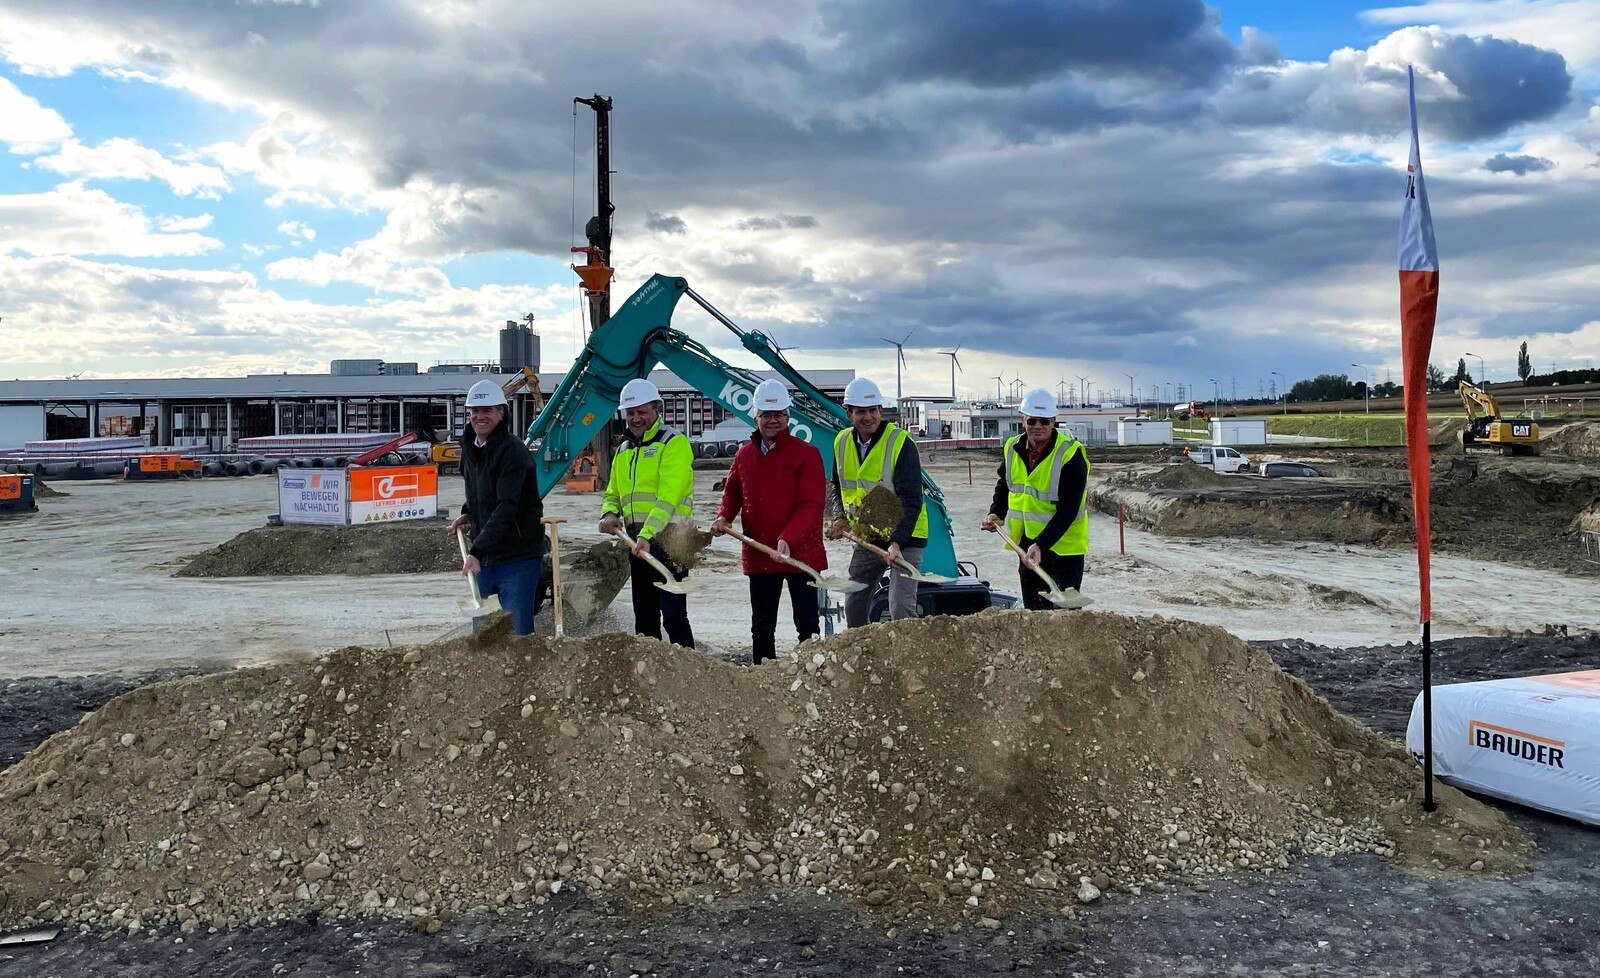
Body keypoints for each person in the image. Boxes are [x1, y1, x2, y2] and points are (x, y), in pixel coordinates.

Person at [710, 380, 827, 665]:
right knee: (762, 626)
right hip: (759, 551)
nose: (773, 420)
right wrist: (724, 516)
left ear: (788, 417)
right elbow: (733, 492)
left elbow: (812, 506)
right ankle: (764, 678)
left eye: (779, 415)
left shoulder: (806, 454)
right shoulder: (744, 455)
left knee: (808, 625)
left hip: (801, 554)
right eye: (766, 414)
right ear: (756, 416)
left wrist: (788, 538)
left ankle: (809, 673)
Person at [598, 378, 696, 648]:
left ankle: (688, 675)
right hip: (637, 542)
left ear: (656, 410)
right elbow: (612, 493)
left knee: (674, 617)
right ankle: (650, 676)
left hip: (672, 540)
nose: (636, 418)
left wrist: (648, 534)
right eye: (631, 413)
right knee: (644, 618)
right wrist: (609, 513)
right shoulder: (624, 450)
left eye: (642, 412)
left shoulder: (673, 443)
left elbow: (669, 496)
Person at [825, 377, 927, 625]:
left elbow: (912, 500)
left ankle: (908, 656)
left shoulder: (900, 442)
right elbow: (837, 486)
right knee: (855, 600)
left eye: (873, 410)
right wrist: (839, 516)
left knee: (900, 607)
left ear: (881, 410)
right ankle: (860, 652)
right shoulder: (841, 442)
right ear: (849, 413)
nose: (868, 417)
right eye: (861, 411)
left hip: (906, 536)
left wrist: (897, 542)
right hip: (868, 535)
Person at [446, 379, 544, 635]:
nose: (480, 416)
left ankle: (524, 675)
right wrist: (467, 513)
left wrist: (476, 550)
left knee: (516, 633)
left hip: (517, 558)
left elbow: (507, 506)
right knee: (486, 635)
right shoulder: (470, 449)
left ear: (501, 413)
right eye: (475, 411)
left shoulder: (513, 451)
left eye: (487, 410)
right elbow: (479, 493)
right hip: (486, 559)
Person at [981, 388, 1090, 609]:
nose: (1037, 426)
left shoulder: (1071, 455)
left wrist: (1041, 544)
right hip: (1026, 544)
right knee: (1034, 612)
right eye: (1032, 421)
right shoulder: (1013, 448)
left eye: (1044, 421)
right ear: (1023, 420)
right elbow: (1005, 484)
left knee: (1063, 617)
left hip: (1063, 550)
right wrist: (996, 512)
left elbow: (1069, 509)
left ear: (1053, 422)